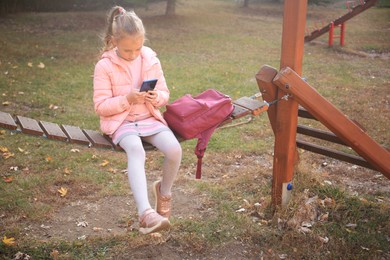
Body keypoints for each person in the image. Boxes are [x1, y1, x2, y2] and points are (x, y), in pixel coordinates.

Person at [93, 6, 182, 234]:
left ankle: (164, 192)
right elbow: (100, 106)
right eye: (127, 50)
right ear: (114, 41)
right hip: (121, 122)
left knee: (174, 150)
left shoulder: (150, 58)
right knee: (136, 151)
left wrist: (156, 97)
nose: (133, 54)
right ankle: (145, 213)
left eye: (138, 48)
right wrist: (126, 99)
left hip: (148, 118)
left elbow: (164, 93)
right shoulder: (104, 66)